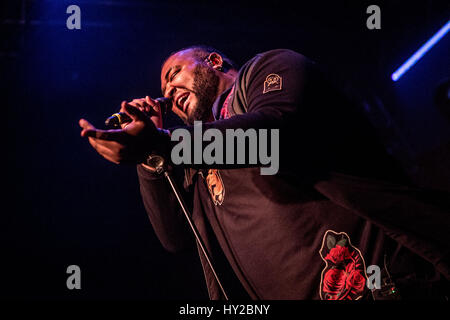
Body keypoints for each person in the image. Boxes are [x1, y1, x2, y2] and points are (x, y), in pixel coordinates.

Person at [79, 45, 450, 300]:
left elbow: (272, 136)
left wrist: (165, 143)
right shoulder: (198, 153)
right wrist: (151, 159)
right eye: (163, 87)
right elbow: (174, 237)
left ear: (213, 61)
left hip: (386, 284)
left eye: (174, 73)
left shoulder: (269, 70)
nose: (168, 89)